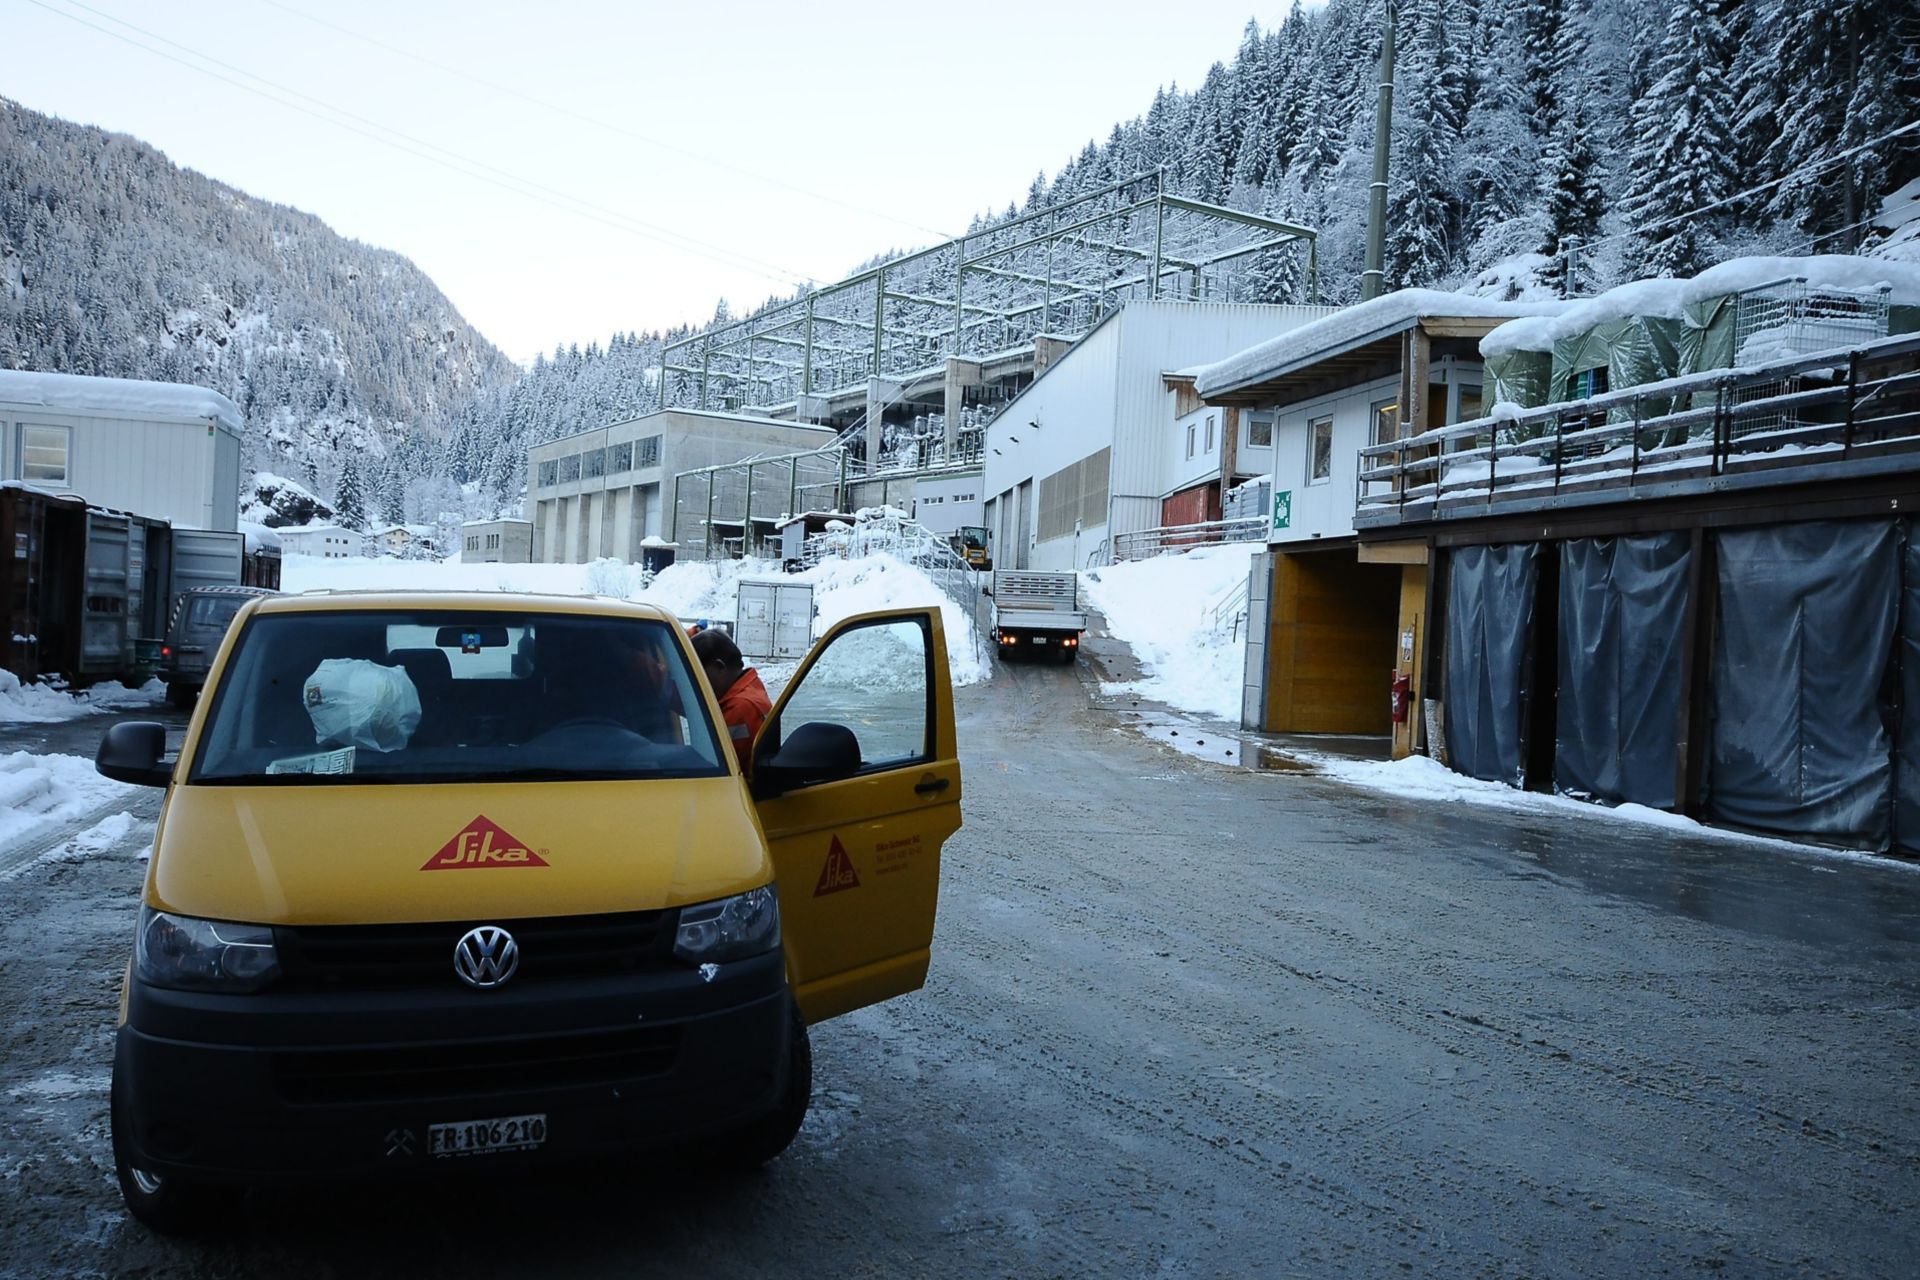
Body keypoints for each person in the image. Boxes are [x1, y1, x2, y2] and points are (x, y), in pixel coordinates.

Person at [692, 629, 770, 767]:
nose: (696, 683)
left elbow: (718, 764)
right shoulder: (750, 689)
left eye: (698, 674)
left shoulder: (740, 707)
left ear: (719, 667)